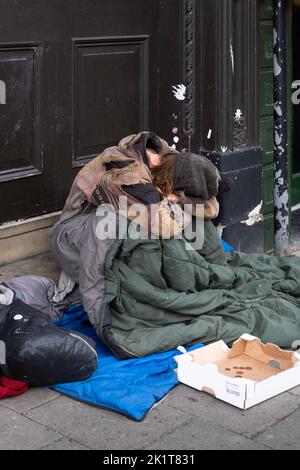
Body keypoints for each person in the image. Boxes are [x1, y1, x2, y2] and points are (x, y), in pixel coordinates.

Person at [51, 131, 223, 330]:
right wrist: (103, 323)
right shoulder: (128, 177)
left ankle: (204, 274)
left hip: (122, 217)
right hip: (72, 235)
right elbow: (165, 226)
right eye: (178, 191)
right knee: (140, 232)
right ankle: (166, 287)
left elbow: (210, 208)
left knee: (193, 220)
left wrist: (179, 199)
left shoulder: (166, 156)